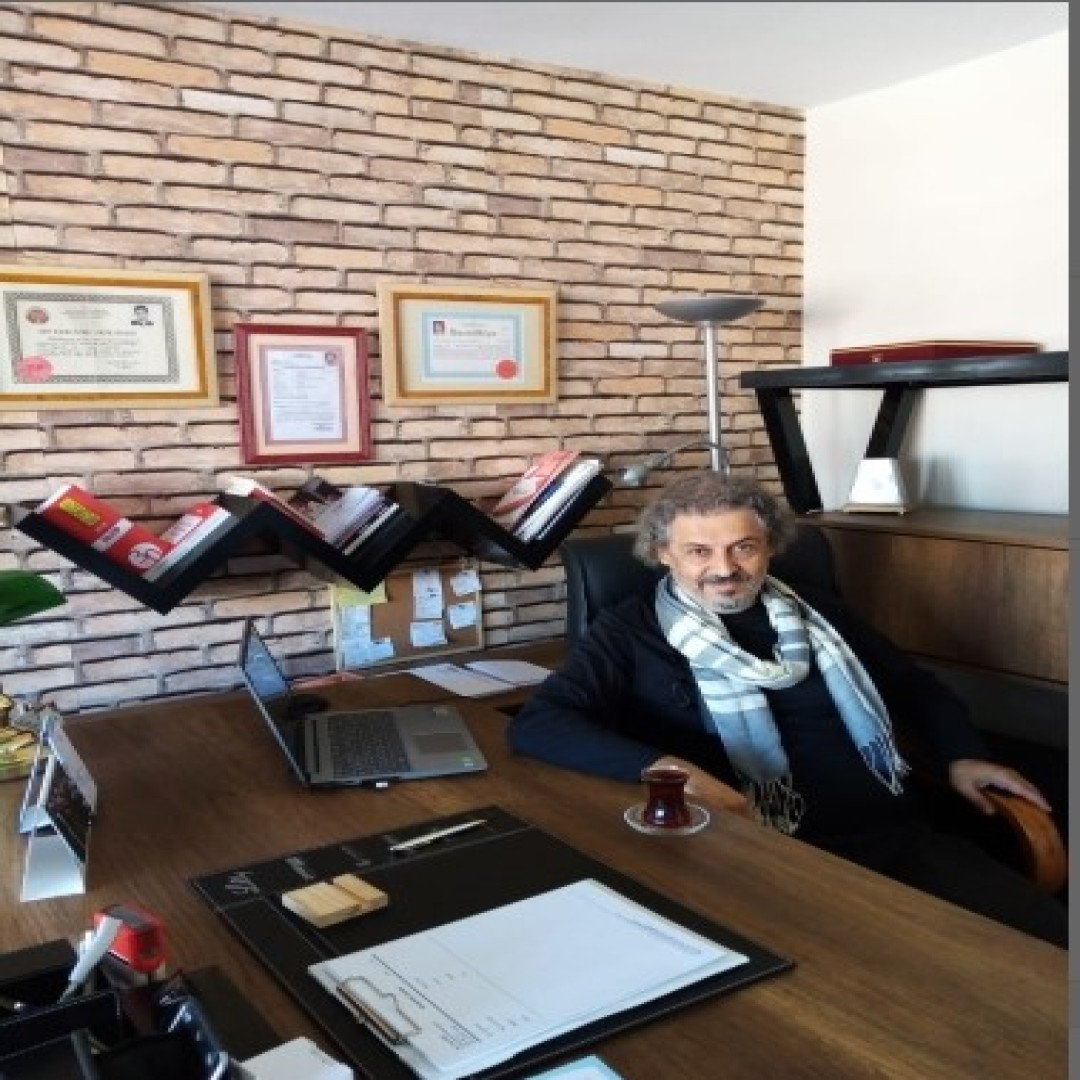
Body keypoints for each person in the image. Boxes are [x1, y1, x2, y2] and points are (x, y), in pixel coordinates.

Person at [507, 472, 1067, 947]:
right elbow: (542, 722)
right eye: (699, 551)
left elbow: (913, 685)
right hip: (765, 858)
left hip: (896, 837)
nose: (724, 568)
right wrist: (672, 771)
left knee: (1048, 945)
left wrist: (961, 754)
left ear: (770, 545)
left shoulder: (818, 612)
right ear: (662, 554)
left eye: (742, 547)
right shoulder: (630, 631)